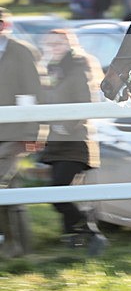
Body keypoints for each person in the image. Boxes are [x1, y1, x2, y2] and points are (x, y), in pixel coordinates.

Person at [39, 29, 108, 255]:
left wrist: (65, 126)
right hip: (56, 143)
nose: (53, 47)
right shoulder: (52, 68)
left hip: (75, 141)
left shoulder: (79, 65)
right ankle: (76, 241)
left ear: (70, 43)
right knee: (64, 193)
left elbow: (85, 101)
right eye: (49, 44)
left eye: (58, 43)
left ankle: (92, 234)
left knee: (57, 194)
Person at [0, 8, 42, 257]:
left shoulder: (21, 52)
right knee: (10, 189)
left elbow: (32, 92)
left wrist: (33, 132)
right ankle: (18, 246)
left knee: (3, 184)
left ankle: (16, 246)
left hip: (14, 134)